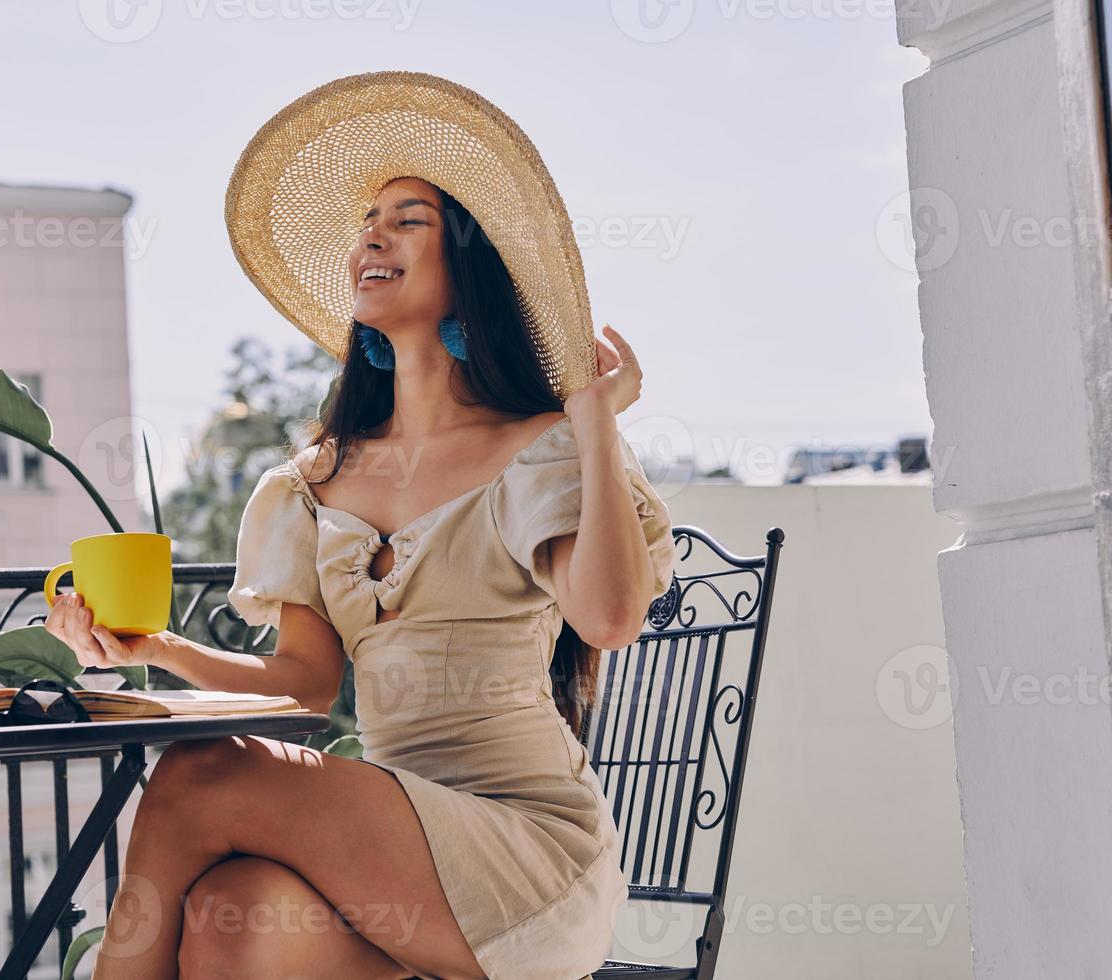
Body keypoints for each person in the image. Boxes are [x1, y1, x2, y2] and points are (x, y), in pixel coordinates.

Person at [46, 71, 676, 980]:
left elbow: (611, 620)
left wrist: (591, 415)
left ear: (470, 266)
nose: (372, 235)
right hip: (390, 850)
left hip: (525, 854)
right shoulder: (312, 483)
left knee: (197, 771)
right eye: (366, 222)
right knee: (232, 913)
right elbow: (305, 684)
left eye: (408, 218)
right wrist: (153, 645)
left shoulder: (539, 447)